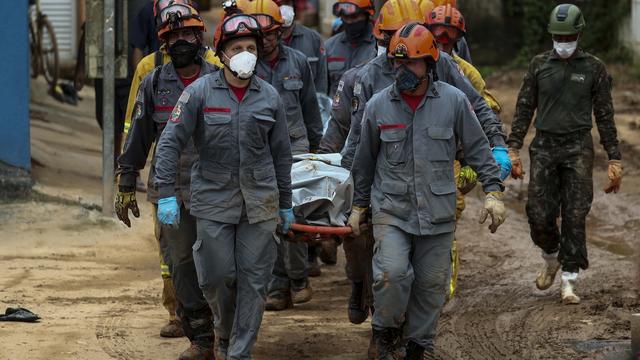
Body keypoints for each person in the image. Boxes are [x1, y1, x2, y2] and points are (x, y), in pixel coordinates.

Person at [348, 23, 506, 359]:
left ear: (430, 64)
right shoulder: (378, 106)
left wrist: (493, 191)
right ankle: (386, 334)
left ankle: (419, 346)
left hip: (437, 213)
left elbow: (478, 148)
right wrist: (359, 206)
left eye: (411, 63)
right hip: (391, 209)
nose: (402, 70)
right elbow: (364, 160)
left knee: (431, 287)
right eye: (397, 63)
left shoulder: (454, 102)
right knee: (392, 274)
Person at [153, 13, 293, 359]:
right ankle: (226, 333)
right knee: (216, 277)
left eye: (250, 47)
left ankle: (238, 351)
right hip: (213, 201)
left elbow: (282, 155)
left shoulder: (270, 97)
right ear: (223, 53)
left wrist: (286, 203)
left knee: (254, 280)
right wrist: (167, 194)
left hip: (259, 202)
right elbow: (170, 143)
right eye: (237, 47)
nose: (245, 53)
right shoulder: (199, 92)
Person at [115, 5, 218, 359]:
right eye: (172, 36)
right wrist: (127, 181)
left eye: (187, 34)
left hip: (217, 189)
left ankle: (229, 328)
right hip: (170, 189)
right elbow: (138, 137)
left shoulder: (220, 77)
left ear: (200, 37)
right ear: (163, 43)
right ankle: (202, 338)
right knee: (181, 265)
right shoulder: (153, 83)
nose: (181, 41)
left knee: (221, 264)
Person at [508, 3, 622, 305]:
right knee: (538, 213)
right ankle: (552, 256)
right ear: (551, 35)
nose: (563, 42)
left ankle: (569, 280)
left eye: (568, 36)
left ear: (579, 34)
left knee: (575, 214)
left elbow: (605, 115)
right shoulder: (538, 65)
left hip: (578, 147)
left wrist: (614, 158)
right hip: (544, 146)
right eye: (558, 37)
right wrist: (513, 148)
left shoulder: (594, 68)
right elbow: (523, 108)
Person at [235, 0, 322, 311]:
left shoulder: (298, 62)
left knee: (293, 214)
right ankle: (277, 284)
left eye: (272, 33)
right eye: (262, 35)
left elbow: (312, 107)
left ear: (280, 33)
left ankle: (297, 279)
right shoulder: (244, 67)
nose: (268, 40)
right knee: (265, 218)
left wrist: (318, 151)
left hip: (296, 146)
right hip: (258, 149)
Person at [325, 0, 378, 97]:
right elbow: (323, 90)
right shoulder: (329, 46)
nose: (349, 21)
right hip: (337, 109)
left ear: (367, 15)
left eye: (354, 17)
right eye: (345, 17)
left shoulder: (379, 45)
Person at [276, 0, 328, 93]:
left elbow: (321, 79)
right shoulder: (267, 42)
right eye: (278, 4)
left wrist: (320, 103)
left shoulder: (313, 38)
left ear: (295, 7)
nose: (283, 9)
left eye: (286, 4)